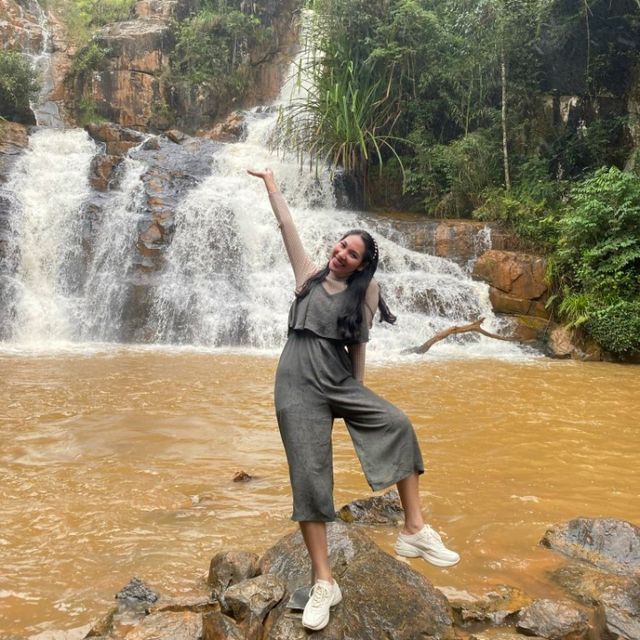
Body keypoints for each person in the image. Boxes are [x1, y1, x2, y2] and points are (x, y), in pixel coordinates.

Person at [248, 168, 460, 631]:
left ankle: (414, 529)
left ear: (363, 264)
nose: (342, 254)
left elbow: (358, 344)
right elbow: (287, 227)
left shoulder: (367, 291)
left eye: (353, 252)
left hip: (339, 378)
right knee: (309, 476)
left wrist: (357, 396)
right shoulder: (307, 274)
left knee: (396, 422)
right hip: (296, 382)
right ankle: (325, 582)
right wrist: (270, 183)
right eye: (341, 246)